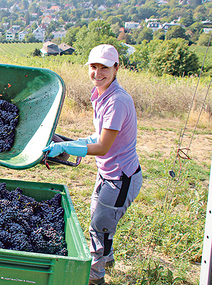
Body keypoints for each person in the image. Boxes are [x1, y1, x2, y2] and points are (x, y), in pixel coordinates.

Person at [43, 44, 143, 285]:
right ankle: (106, 258)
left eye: (104, 68)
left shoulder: (117, 101)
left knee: (100, 228)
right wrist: (69, 141)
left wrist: (66, 148)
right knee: (98, 219)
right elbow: (97, 137)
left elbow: (102, 147)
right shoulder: (101, 94)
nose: (98, 73)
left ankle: (95, 277)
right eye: (94, 67)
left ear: (117, 68)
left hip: (121, 178)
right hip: (106, 173)